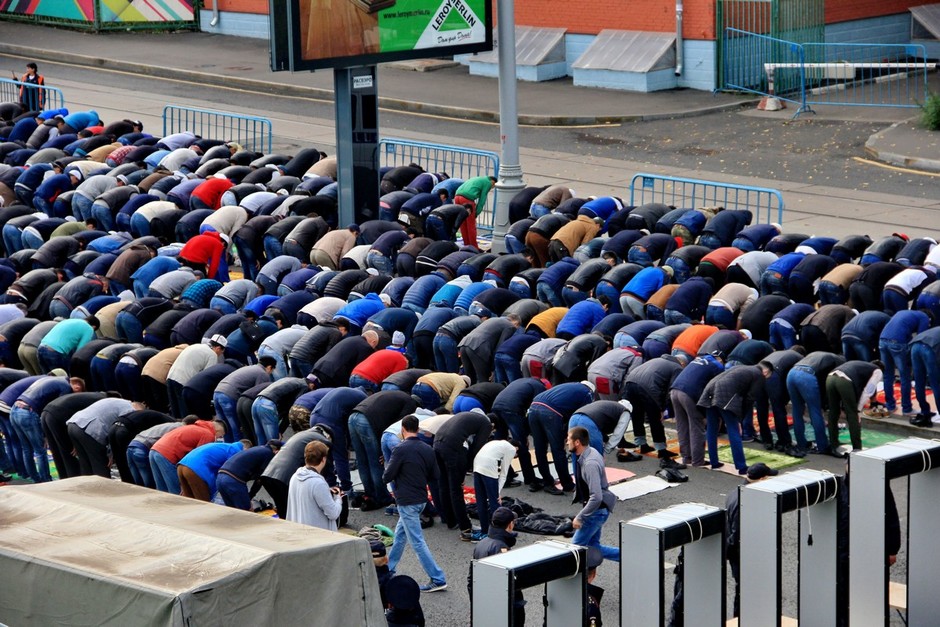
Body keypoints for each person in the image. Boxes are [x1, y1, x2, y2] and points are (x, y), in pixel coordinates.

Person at [384, 415, 448, 593]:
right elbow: (435, 475)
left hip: (406, 501)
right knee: (400, 535)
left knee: (417, 542)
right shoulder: (427, 448)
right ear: (418, 429)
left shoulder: (400, 449)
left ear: (403, 429)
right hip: (420, 499)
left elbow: (387, 476)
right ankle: (388, 569)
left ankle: (438, 578)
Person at [726, 463, 779, 617]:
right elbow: (737, 534)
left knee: (744, 590)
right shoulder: (746, 501)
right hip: (743, 555)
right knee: (745, 591)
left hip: (738, 554)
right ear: (762, 479)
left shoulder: (734, 493)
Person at [567, 426, 620, 561]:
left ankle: (630, 556)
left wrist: (580, 517)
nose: (567, 442)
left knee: (575, 549)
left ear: (577, 442)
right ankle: (630, 557)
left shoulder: (590, 463)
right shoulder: (591, 452)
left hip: (596, 512)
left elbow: (596, 497)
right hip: (598, 509)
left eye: (569, 439)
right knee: (593, 546)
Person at [469, 507, 524, 624]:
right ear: (510, 525)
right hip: (501, 610)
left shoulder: (481, 543)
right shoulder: (501, 549)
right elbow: (507, 584)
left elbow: (471, 578)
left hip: (483, 602)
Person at [286, 440, 343, 531]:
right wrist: (338, 498)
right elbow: (333, 513)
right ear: (323, 459)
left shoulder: (295, 477)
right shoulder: (318, 483)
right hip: (317, 534)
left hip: (299, 531)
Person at [470, 438, 518, 539]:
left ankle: (484, 531)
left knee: (481, 501)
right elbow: (504, 473)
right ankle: (500, 533)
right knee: (495, 504)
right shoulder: (512, 449)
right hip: (488, 466)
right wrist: (497, 493)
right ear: (516, 448)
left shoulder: (497, 443)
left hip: (477, 464)